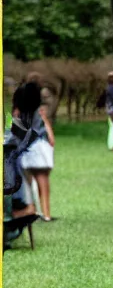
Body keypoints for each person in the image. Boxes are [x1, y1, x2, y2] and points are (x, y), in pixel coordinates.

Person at [15, 81, 56, 222]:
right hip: (41, 149)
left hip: (26, 150)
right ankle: (46, 214)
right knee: (43, 182)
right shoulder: (39, 111)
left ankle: (33, 211)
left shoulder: (18, 112)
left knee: (28, 183)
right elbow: (49, 136)